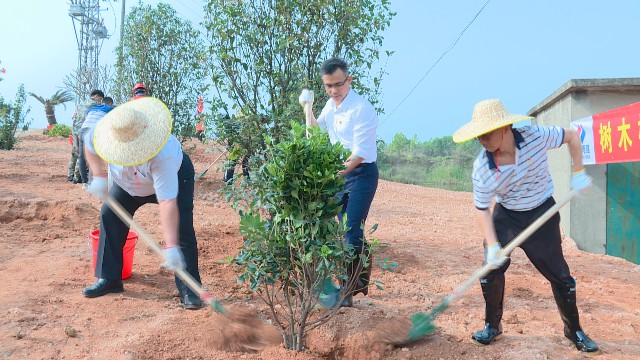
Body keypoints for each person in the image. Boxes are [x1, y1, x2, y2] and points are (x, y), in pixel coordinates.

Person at [452, 99, 598, 353]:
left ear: (506, 127)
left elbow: (572, 137)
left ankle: (573, 330)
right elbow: (482, 209)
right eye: (479, 136)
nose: (482, 140)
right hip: (506, 216)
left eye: (488, 133)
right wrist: (494, 245)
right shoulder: (483, 168)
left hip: (542, 212)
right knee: (490, 270)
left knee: (560, 276)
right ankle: (492, 326)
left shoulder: (535, 136)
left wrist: (578, 172)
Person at [82, 97, 204, 310]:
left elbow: (167, 202)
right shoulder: (102, 131)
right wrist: (99, 175)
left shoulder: (163, 154)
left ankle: (189, 289)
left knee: (181, 228)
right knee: (110, 215)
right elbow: (87, 142)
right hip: (127, 185)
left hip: (174, 177)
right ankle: (110, 278)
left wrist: (171, 246)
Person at [300, 57, 379, 307]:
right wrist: (307, 107)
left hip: (361, 174)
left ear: (349, 80)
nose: (334, 91)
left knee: (350, 230)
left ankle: (347, 291)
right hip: (340, 174)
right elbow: (314, 130)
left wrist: (330, 177)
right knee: (345, 228)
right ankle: (359, 280)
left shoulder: (361, 109)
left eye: (338, 85)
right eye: (328, 86)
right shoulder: (331, 106)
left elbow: (359, 154)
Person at [78, 94, 113, 184]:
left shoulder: (92, 108)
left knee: (82, 156)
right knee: (94, 156)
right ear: (110, 103)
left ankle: (85, 182)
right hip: (93, 131)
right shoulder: (110, 108)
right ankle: (93, 180)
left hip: (82, 130)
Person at [73, 90, 103, 183]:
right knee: (83, 154)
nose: (100, 101)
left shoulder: (81, 103)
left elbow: (74, 116)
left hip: (76, 129)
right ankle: (78, 177)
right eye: (100, 99)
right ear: (97, 96)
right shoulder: (95, 105)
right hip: (86, 129)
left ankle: (70, 175)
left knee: (75, 152)